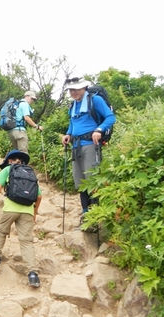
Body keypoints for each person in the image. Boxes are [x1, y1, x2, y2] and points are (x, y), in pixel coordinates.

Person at [61, 77, 116, 229]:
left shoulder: (95, 100)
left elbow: (110, 117)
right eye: (71, 90)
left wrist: (99, 130)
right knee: (81, 183)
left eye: (77, 89)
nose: (74, 92)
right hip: (76, 146)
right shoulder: (73, 105)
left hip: (91, 145)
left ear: (84, 87)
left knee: (92, 181)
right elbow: (73, 123)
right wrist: (68, 134)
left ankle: (95, 217)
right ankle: (86, 215)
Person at [0, 150, 42, 288]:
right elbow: (39, 196)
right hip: (27, 210)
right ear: (22, 161)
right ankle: (33, 274)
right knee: (26, 241)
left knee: (1, 232)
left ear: (10, 160)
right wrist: (34, 213)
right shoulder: (30, 173)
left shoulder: (8, 169)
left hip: (10, 209)